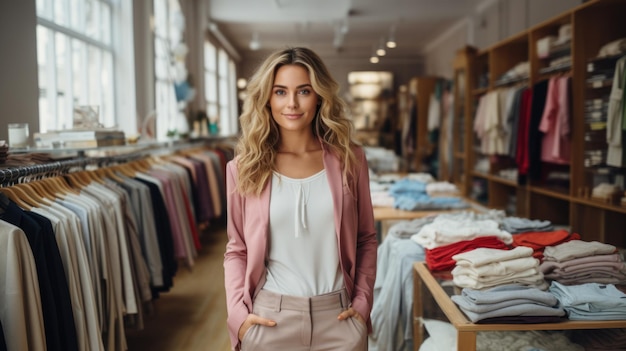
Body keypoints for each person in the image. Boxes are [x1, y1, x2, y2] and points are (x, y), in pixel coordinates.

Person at [224, 46, 378, 351]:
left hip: (340, 321)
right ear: (267, 98)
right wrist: (238, 316)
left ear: (319, 96)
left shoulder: (350, 159)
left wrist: (362, 305)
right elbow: (237, 250)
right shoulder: (244, 168)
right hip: (268, 321)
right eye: (280, 92)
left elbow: (366, 239)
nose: (291, 103)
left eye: (303, 91)